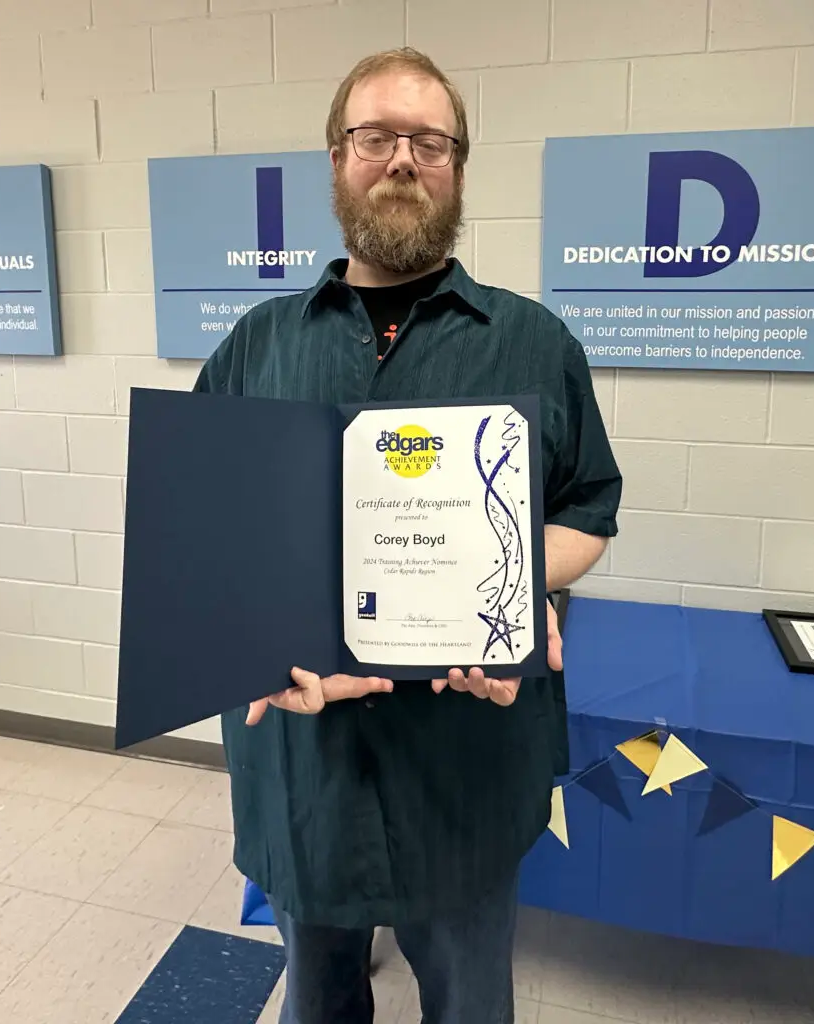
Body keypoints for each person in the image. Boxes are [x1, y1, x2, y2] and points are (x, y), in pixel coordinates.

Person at [193, 46, 622, 1024]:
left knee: (470, 1004)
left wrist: (511, 595)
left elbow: (586, 514)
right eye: (375, 136)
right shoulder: (257, 346)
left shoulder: (534, 344)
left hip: (467, 766)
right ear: (337, 159)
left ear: (458, 168)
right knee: (318, 1003)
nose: (401, 159)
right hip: (307, 771)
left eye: (428, 141)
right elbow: (208, 542)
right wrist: (249, 647)